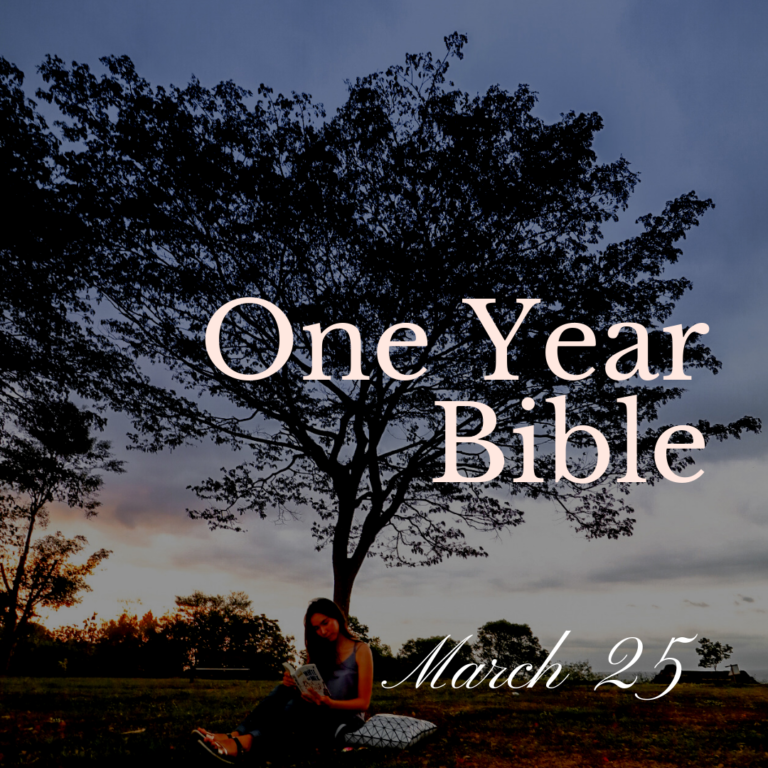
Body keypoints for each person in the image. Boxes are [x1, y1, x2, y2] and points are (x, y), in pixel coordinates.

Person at [194, 598, 374, 762]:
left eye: (325, 623)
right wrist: (295, 683)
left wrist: (330, 703)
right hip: (318, 712)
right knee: (283, 690)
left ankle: (247, 742)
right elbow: (311, 686)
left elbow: (363, 703)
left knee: (298, 705)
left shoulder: (360, 650)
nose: (323, 631)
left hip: (345, 720)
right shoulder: (320, 650)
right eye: (316, 628)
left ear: (337, 617)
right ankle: (235, 734)